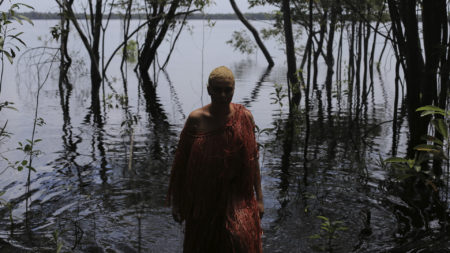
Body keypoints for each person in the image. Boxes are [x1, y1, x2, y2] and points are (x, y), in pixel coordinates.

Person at [168, 66, 264, 253]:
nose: (222, 95)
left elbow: (252, 161)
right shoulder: (197, 119)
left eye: (227, 90)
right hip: (203, 198)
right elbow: (180, 164)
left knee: (240, 241)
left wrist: (259, 199)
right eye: (217, 90)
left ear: (234, 90)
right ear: (209, 89)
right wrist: (177, 202)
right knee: (202, 246)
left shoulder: (244, 117)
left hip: (237, 196)